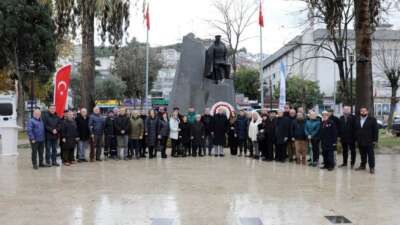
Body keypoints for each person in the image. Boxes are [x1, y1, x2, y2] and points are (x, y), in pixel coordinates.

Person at [355, 107, 379, 174]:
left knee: (370, 155)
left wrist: (375, 140)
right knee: (362, 154)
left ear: (367, 112)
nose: (363, 112)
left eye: (364, 111)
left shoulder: (372, 120)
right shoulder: (357, 119)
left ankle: (372, 167)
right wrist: (356, 140)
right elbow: (355, 130)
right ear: (360, 112)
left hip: (369, 141)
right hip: (360, 141)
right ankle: (363, 165)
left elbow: (376, 130)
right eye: (361, 111)